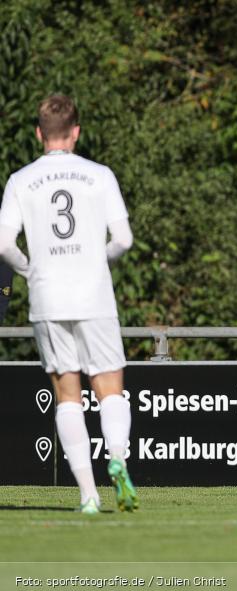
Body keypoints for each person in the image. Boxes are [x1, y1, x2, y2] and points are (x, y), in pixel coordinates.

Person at [0, 95, 137, 513]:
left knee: (67, 394)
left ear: (39, 133)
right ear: (76, 131)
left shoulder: (21, 180)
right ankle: (117, 456)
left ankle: (88, 495)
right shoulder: (100, 175)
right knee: (110, 387)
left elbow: (3, 244)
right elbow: (124, 240)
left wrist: (28, 269)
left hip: (48, 295)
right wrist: (99, 258)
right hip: (93, 292)